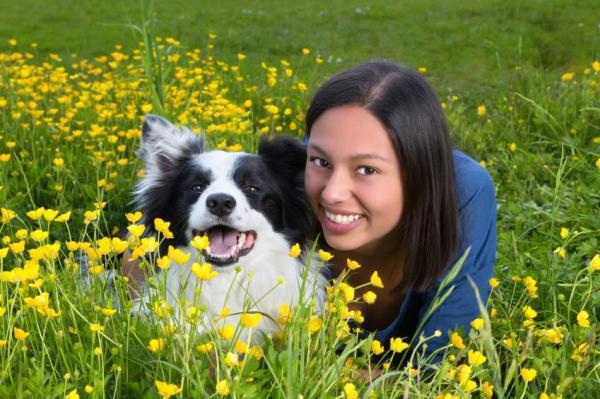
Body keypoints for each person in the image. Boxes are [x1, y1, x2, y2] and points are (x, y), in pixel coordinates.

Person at [303, 61, 496, 365]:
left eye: (366, 169)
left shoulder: (462, 191)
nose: (331, 193)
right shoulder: (284, 184)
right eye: (320, 161)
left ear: (419, 175)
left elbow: (438, 367)